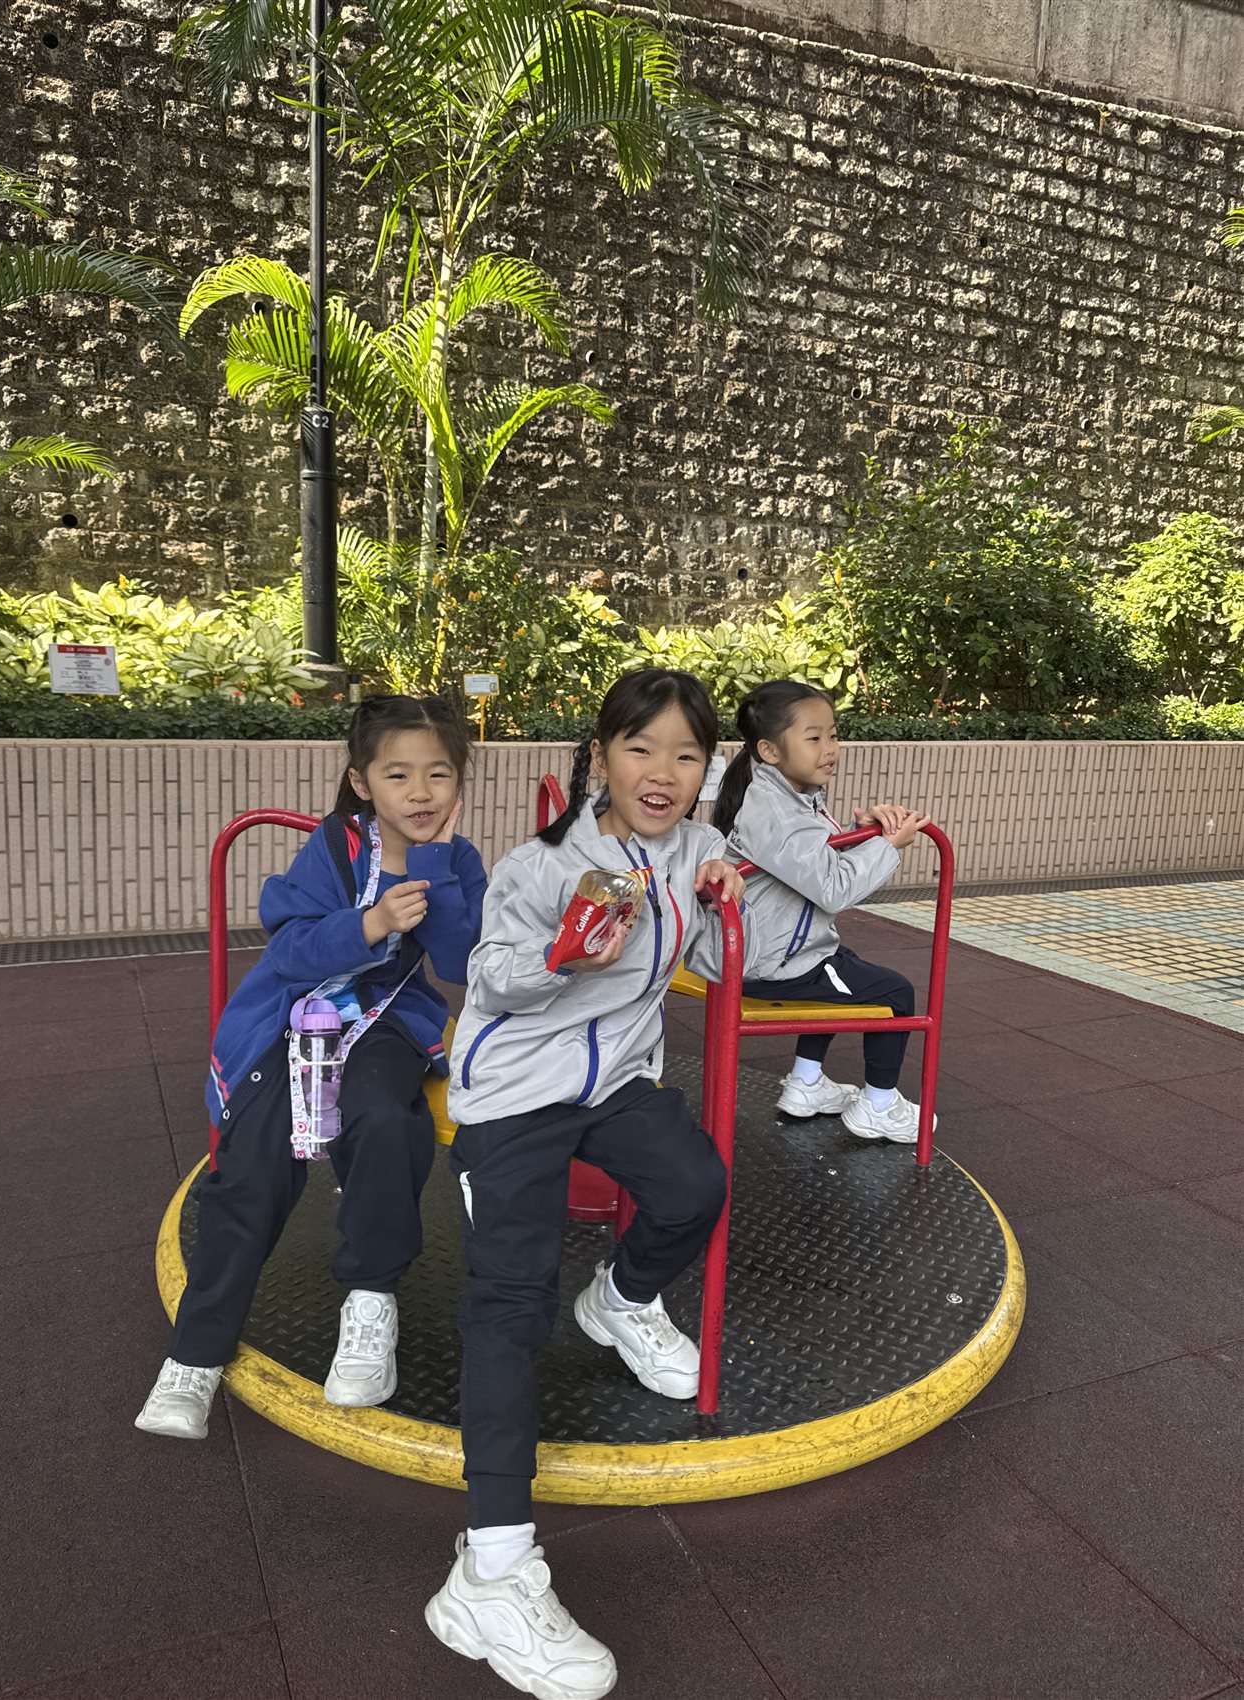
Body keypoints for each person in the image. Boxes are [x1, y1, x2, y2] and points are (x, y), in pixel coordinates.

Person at [424, 668, 751, 1700]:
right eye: (641, 747)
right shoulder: (540, 863)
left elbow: (719, 921)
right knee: (509, 1301)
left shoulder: (694, 846)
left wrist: (726, 887)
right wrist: (563, 953)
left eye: (687, 754)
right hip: (516, 1091)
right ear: (600, 754)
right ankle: (490, 1567)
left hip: (613, 1082)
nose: (663, 772)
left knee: (695, 1184)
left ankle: (620, 1299)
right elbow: (487, 976)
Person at [136, 695, 485, 1441]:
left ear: (459, 782)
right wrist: (371, 922)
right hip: (294, 1015)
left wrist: (432, 866)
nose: (420, 792)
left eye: (438, 774)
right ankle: (196, 1352)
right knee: (253, 1161)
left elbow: (462, 962)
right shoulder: (334, 847)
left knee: (384, 1121)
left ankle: (370, 1298)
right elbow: (290, 949)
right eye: (398, 775)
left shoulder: (455, 859)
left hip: (386, 1022)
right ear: (362, 782)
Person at [713, 679, 932, 1143]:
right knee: (895, 992)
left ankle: (806, 1083)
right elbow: (832, 889)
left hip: (762, 951)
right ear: (770, 750)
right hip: (769, 963)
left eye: (833, 734)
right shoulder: (780, 813)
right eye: (814, 738)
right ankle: (879, 1105)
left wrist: (860, 831)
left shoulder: (788, 797)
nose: (830, 748)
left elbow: (812, 863)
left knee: (839, 964)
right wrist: (888, 846)